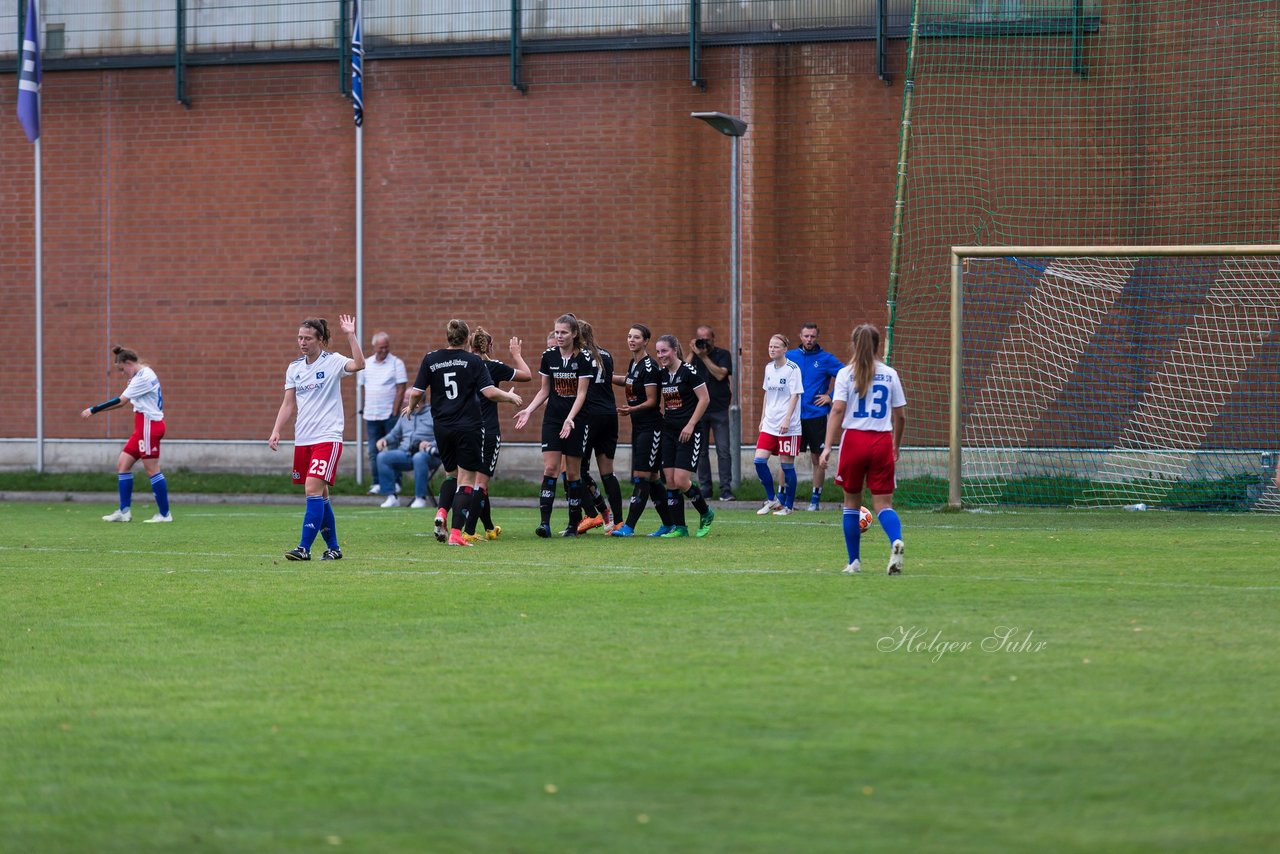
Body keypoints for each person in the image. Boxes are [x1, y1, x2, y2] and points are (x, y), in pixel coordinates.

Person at [404, 319, 523, 547]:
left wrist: (410, 408)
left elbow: (417, 391)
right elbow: (489, 392)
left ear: (447, 336)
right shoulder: (473, 361)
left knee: (451, 474)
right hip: (467, 427)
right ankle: (456, 534)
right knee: (467, 479)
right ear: (467, 337)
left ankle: (441, 511)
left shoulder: (431, 358)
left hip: (442, 427)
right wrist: (509, 397)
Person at [268, 314, 365, 561]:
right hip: (303, 440)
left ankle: (304, 548)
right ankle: (334, 548)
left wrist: (351, 334)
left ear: (320, 340)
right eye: (300, 337)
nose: (302, 342)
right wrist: (276, 429)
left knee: (312, 488)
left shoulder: (332, 362)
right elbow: (288, 404)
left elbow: (359, 364)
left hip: (327, 438)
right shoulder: (294, 368)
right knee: (320, 496)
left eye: (308, 338)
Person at [819, 323, 907, 576]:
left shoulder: (846, 374)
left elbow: (837, 410)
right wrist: (895, 445)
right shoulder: (890, 374)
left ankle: (854, 562)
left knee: (851, 504)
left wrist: (827, 447)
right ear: (878, 345)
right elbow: (900, 416)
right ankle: (895, 541)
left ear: (854, 344)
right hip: (881, 440)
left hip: (855, 440)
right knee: (883, 504)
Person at [514, 314, 592, 538]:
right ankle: (544, 524)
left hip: (576, 420)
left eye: (564, 332)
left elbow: (582, 393)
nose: (559, 336)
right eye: (557, 332)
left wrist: (571, 418)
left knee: (573, 474)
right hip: (553, 419)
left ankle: (572, 524)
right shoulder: (548, 356)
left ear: (574, 334)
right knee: (550, 469)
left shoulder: (584, 357)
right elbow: (544, 389)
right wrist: (529, 410)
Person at [81, 345, 173, 523]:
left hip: (149, 425)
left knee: (152, 469)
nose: (122, 373)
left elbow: (121, 401)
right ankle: (124, 512)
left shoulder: (142, 378)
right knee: (123, 464)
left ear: (129, 363)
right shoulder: (144, 371)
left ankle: (164, 514)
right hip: (142, 426)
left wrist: (94, 410)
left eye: (122, 369)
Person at [460, 328, 531, 542]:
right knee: (480, 483)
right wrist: (517, 354)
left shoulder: (462, 365)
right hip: (488, 430)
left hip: (464, 429)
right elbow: (526, 375)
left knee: (473, 482)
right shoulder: (493, 366)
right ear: (489, 346)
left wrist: (502, 396)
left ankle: (489, 528)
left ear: (469, 345)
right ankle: (469, 531)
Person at [610, 324, 669, 537]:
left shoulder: (650, 366)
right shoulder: (634, 364)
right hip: (639, 427)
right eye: (629, 336)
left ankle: (629, 526)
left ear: (645, 341)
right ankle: (669, 524)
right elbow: (628, 381)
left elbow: (653, 401)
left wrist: (631, 409)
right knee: (652, 478)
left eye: (636, 337)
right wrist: (605, 376)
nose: (631, 340)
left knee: (641, 476)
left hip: (652, 428)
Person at [656, 334, 715, 538]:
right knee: (670, 481)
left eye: (664, 351)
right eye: (658, 352)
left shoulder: (689, 371)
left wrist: (690, 424)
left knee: (681, 481)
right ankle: (680, 527)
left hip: (689, 432)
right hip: (669, 432)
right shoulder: (662, 374)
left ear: (674, 350)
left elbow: (705, 399)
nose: (661, 355)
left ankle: (706, 513)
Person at [787, 323, 846, 511]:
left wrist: (831, 396)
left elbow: (846, 376)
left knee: (817, 458)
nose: (809, 340)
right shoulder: (790, 357)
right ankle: (783, 499)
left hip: (816, 416)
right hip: (794, 416)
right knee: (787, 457)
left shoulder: (826, 359)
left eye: (812, 336)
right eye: (806, 336)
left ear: (817, 337)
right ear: (800, 336)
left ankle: (815, 500)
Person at [575, 320, 623, 534]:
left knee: (576, 469)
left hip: (589, 416)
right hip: (609, 416)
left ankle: (594, 513)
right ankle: (618, 522)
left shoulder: (580, 356)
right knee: (608, 473)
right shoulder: (606, 354)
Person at [753, 334, 804, 518]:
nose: (772, 349)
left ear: (784, 349)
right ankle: (772, 499)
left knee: (787, 466)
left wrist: (787, 419)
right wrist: (762, 418)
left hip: (788, 426)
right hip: (770, 423)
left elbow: (795, 395)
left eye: (776, 346)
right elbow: (767, 394)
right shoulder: (768, 368)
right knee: (759, 461)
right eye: (770, 346)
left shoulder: (792, 369)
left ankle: (788, 506)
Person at [687, 325, 736, 501]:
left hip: (719, 408)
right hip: (699, 410)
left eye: (707, 339)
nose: (704, 342)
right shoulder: (694, 357)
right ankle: (705, 489)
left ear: (713, 339)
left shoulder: (723, 355)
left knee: (723, 450)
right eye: (701, 339)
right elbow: (682, 371)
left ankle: (726, 490)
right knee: (701, 452)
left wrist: (704, 357)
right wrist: (693, 353)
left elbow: (720, 375)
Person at [358, 331, 407, 495]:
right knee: (373, 451)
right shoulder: (366, 364)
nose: (383, 350)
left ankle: (396, 482)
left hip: (389, 416)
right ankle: (377, 482)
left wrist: (394, 412)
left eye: (386, 347)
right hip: (371, 415)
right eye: (380, 348)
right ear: (374, 347)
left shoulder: (396, 363)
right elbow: (364, 387)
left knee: (393, 449)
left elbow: (401, 389)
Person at [374, 408, 441, 509]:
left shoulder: (433, 413)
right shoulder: (405, 414)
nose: (405, 401)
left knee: (419, 457)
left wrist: (430, 444)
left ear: (418, 401)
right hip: (405, 453)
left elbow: (443, 436)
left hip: (428, 455)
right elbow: (394, 434)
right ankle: (392, 497)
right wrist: (385, 440)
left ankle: (420, 498)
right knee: (382, 457)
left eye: (408, 398)